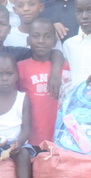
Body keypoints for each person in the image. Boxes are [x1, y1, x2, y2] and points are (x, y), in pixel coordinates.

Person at [0, 4, 62, 146]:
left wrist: (55, 74)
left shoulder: (16, 55)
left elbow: (53, 52)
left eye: (2, 24)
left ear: (9, 29)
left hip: (11, 136)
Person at [18, 18, 61, 147]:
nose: (41, 41)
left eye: (47, 36)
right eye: (36, 36)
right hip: (30, 138)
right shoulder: (20, 67)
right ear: (28, 40)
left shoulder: (64, 67)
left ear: (54, 41)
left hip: (58, 137)